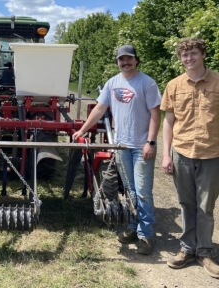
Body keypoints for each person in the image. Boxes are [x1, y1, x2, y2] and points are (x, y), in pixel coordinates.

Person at [73, 44, 161, 255]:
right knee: (130, 191)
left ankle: (146, 235)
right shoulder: (112, 83)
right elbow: (99, 109)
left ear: (136, 60)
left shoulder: (147, 83)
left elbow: (156, 115)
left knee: (143, 193)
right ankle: (132, 227)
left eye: (129, 58)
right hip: (120, 145)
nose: (125, 62)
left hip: (141, 147)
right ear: (117, 62)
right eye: (122, 59)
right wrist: (82, 130)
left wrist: (151, 142)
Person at [161, 38, 219, 278]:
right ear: (180, 58)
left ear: (203, 54)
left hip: (212, 153)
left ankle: (205, 252)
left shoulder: (218, 82)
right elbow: (169, 121)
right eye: (185, 55)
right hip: (182, 152)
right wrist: (166, 154)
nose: (189, 59)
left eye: (193, 53)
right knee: (186, 204)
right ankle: (187, 248)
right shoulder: (174, 85)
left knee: (205, 206)